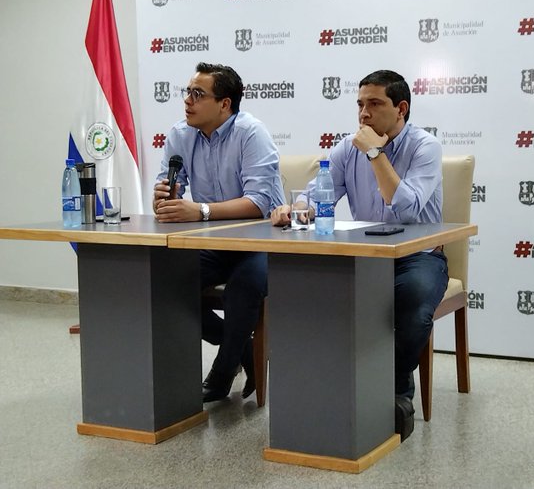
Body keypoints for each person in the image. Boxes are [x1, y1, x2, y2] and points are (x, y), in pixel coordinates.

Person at [271, 70, 449, 440]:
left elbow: (406, 210)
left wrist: (374, 153)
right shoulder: (344, 149)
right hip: (364, 254)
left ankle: (394, 390)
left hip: (417, 256)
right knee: (310, 294)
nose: (363, 114)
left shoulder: (424, 147)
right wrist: (294, 208)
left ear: (401, 109)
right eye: (360, 105)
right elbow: (318, 194)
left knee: (414, 307)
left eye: (374, 104)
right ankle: (331, 391)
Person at [154, 62, 285, 403]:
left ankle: (223, 370)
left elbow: (259, 203)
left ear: (225, 104)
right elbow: (170, 186)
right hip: (214, 240)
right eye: (188, 92)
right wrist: (163, 198)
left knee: (244, 287)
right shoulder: (180, 135)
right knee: (166, 280)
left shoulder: (251, 133)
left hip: (262, 240)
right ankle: (242, 350)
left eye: (199, 94)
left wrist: (201, 211)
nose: (188, 101)